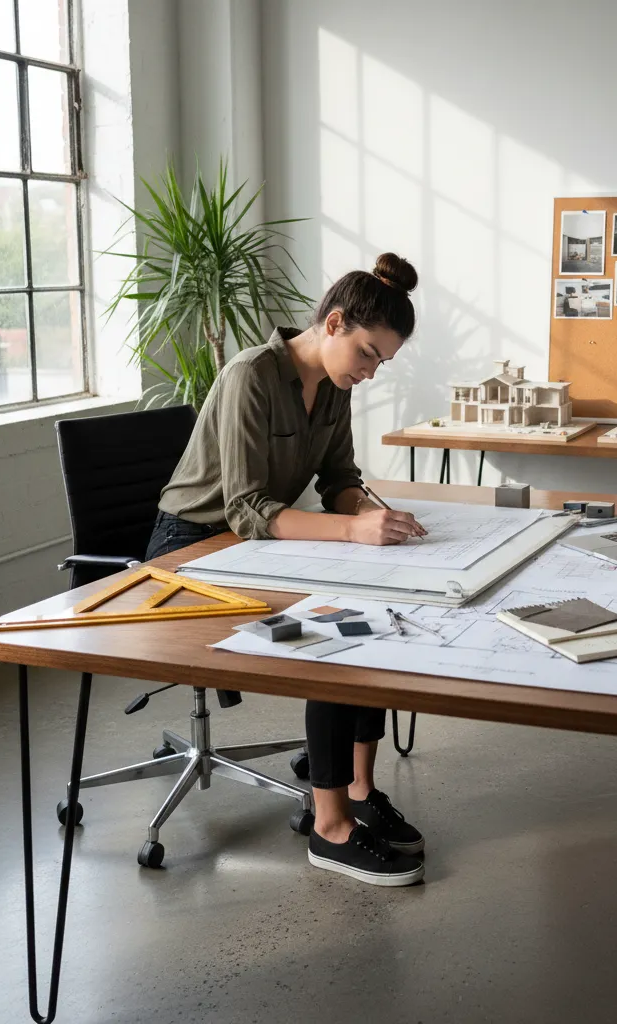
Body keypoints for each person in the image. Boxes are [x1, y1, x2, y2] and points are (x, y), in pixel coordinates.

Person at [145, 252, 427, 887]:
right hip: (190, 548)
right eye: (367, 354)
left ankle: (357, 790)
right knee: (336, 633)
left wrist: (375, 514)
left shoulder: (334, 387)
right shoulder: (252, 375)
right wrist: (353, 530)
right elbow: (245, 509)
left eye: (382, 361)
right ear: (332, 325)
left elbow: (340, 481)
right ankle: (328, 831)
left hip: (254, 544)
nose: (371, 371)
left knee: (373, 611)